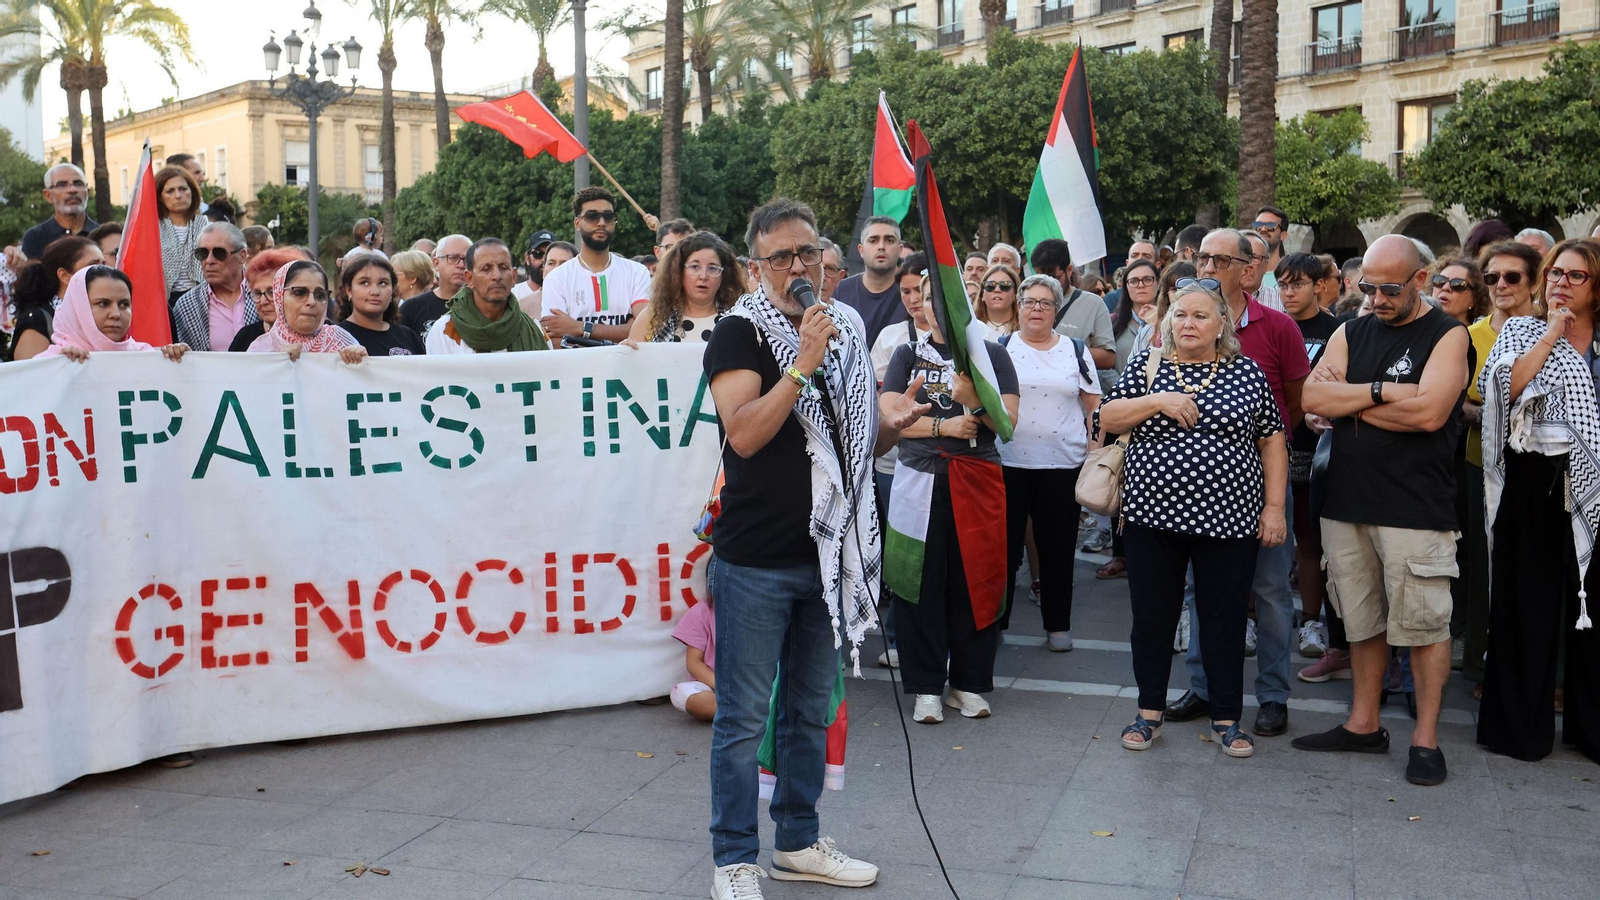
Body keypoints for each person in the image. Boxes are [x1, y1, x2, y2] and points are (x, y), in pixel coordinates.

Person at [701, 197, 926, 899]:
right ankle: (735, 858)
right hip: (756, 559)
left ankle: (797, 841)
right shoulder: (739, 334)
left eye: (808, 253)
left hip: (827, 557)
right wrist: (800, 366)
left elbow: (854, 447)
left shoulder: (850, 328)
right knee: (741, 719)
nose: (798, 268)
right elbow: (743, 434)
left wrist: (896, 422)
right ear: (755, 266)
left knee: (807, 710)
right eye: (781, 257)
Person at [1295, 234, 1470, 787]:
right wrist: (1386, 392)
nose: (1376, 298)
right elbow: (1313, 400)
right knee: (1361, 618)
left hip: (1416, 508)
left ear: (1421, 280)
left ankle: (1425, 738)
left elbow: (1431, 415)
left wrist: (1352, 405)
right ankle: (1363, 723)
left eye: (1389, 288)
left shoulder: (1448, 333)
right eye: (1367, 286)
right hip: (1346, 501)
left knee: (1422, 624)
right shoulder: (1351, 330)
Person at [1099, 278, 1288, 759]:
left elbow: (1271, 440)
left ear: (1221, 324)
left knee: (1224, 620)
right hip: (1150, 517)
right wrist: (1157, 401)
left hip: (1229, 520)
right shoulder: (1148, 364)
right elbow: (1109, 417)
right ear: (1167, 322)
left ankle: (1227, 718)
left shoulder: (1247, 373)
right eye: (1181, 315)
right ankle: (1148, 714)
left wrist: (1273, 507)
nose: (1189, 323)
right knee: (1153, 619)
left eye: (1200, 315)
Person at [1167, 228, 1309, 737]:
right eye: (1200, 257)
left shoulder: (1276, 328)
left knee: (1270, 589)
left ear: (1248, 269)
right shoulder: (1178, 323)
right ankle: (1204, 689)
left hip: (1262, 481)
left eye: (1218, 260)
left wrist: (1254, 451)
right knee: (1199, 588)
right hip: (1196, 489)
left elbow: (1292, 403)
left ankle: (1272, 695)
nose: (1205, 267)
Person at [1478, 237, 1600, 764]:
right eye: (1555, 274)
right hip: (1534, 485)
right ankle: (1518, 732)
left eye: (1575, 277)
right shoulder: (1524, 329)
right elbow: (1501, 389)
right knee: (1526, 607)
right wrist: (1553, 333)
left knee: (1592, 615)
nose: (1560, 284)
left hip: (1592, 489)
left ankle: (1590, 729)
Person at [882, 271, 1020, 723]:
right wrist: (944, 425)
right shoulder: (906, 355)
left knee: (975, 578)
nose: (936, 307)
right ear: (918, 305)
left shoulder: (992, 357)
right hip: (920, 479)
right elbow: (893, 416)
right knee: (919, 580)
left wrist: (975, 402)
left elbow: (1008, 424)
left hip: (977, 479)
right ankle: (925, 685)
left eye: (945, 299)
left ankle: (969, 682)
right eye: (927, 298)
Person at [999, 273, 1099, 651]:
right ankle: (997, 623)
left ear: (1057, 310)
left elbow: (1093, 406)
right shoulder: (1002, 347)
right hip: (1008, 462)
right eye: (1029, 301)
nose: (1036, 308)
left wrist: (1093, 452)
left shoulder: (1074, 348)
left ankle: (1058, 625)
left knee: (1057, 549)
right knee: (1003, 550)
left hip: (1062, 465)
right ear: (1018, 307)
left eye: (1045, 302)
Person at [867, 254, 932, 670]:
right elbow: (877, 399)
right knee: (903, 555)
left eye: (921, 292)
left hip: (953, 465)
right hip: (896, 465)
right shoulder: (892, 337)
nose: (913, 299)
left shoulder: (971, 335)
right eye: (906, 291)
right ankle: (897, 637)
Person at [1276, 253, 1342, 661]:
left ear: (1318, 285)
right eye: (1283, 284)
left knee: (1310, 538)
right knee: (1261, 538)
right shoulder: (1271, 323)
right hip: (1272, 447)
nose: (1289, 292)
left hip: (1317, 451)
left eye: (1297, 283)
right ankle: (1251, 617)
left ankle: (1312, 620)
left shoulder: (1337, 330)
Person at [540, 187, 653, 345]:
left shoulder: (636, 272)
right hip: (577, 369)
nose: (601, 223)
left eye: (608, 217)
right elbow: (558, 340)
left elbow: (645, 330)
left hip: (628, 368)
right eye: (592, 216)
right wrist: (624, 331)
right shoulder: (557, 278)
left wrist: (579, 328)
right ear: (577, 223)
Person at [37, 265, 189, 363]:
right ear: (77, 308)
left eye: (124, 305)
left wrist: (184, 364)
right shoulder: (50, 362)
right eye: (103, 304)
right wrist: (61, 370)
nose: (116, 314)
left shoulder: (146, 357)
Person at [427, 238, 550, 354]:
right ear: (469, 278)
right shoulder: (444, 331)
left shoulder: (533, 330)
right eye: (486, 269)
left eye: (503, 267)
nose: (497, 276)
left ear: (514, 277)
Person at [629, 231, 744, 343]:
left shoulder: (739, 318)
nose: (703, 276)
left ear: (724, 275)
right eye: (695, 267)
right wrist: (626, 351)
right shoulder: (652, 317)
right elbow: (633, 360)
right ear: (678, 271)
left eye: (712, 268)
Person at [246, 260, 367, 364]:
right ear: (279, 297)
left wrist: (362, 364)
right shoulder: (261, 350)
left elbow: (367, 385)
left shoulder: (341, 341)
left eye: (320, 295)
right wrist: (276, 363)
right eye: (299, 292)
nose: (312, 302)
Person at [5, 236, 103, 361]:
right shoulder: (38, 320)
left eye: (104, 264)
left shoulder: (101, 317)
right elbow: (29, 376)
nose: (104, 272)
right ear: (64, 275)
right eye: (94, 266)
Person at [171, 223, 258, 352]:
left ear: (242, 256)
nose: (209, 260)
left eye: (219, 253)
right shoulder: (186, 306)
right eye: (202, 253)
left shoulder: (268, 295)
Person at [1030, 239, 1115, 370]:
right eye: (1040, 278)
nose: (1047, 285)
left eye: (1053, 278)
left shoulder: (1093, 304)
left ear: (1069, 270)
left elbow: (1108, 358)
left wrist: (1062, 350)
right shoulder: (1026, 303)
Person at [833, 216, 906, 347]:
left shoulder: (912, 294)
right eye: (873, 240)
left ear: (900, 250)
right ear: (861, 250)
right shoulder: (838, 291)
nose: (881, 247)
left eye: (889, 240)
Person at [338, 253, 426, 356]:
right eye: (365, 283)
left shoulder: (408, 337)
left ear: (392, 291)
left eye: (383, 283)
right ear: (349, 290)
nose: (375, 291)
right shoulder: (336, 337)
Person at [19, 163, 98, 260]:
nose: (72, 190)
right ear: (48, 195)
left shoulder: (103, 235)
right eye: (62, 185)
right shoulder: (35, 238)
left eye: (78, 183)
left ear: (87, 192)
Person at [228, 248, 301, 352]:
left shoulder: (322, 334)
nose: (263, 301)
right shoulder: (244, 337)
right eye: (257, 293)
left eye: (271, 292)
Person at [399, 234, 470, 338]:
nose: (461, 265)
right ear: (436, 263)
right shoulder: (411, 308)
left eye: (467, 259)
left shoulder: (484, 307)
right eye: (453, 258)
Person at [153, 166, 204, 306]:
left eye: (183, 189)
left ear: (192, 192)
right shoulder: (153, 229)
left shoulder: (206, 226)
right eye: (170, 191)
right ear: (160, 197)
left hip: (202, 298)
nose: (178, 195)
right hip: (164, 302)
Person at [671, 597, 718, 722]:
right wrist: (724, 687)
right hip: (712, 684)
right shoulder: (702, 611)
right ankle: (752, 713)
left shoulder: (764, 609)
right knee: (682, 694)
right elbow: (693, 663)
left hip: (758, 685)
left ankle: (746, 713)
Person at [973, 263, 1020, 339]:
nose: (997, 290)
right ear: (982, 294)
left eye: (1005, 285)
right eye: (990, 285)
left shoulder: (1026, 328)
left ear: (1015, 294)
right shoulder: (971, 328)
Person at [1242, 231, 1286, 313]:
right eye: (1241, 257)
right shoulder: (1217, 298)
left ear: (1266, 266)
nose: (1248, 264)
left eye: (1254, 257)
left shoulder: (1282, 300)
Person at [512, 229, 557, 309]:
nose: (544, 260)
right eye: (538, 254)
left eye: (549, 254)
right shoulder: (514, 295)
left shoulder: (569, 296)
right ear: (527, 258)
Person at [818, 238, 848, 304]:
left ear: (839, 278)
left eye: (830, 269)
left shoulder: (849, 314)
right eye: (816, 267)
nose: (822, 278)